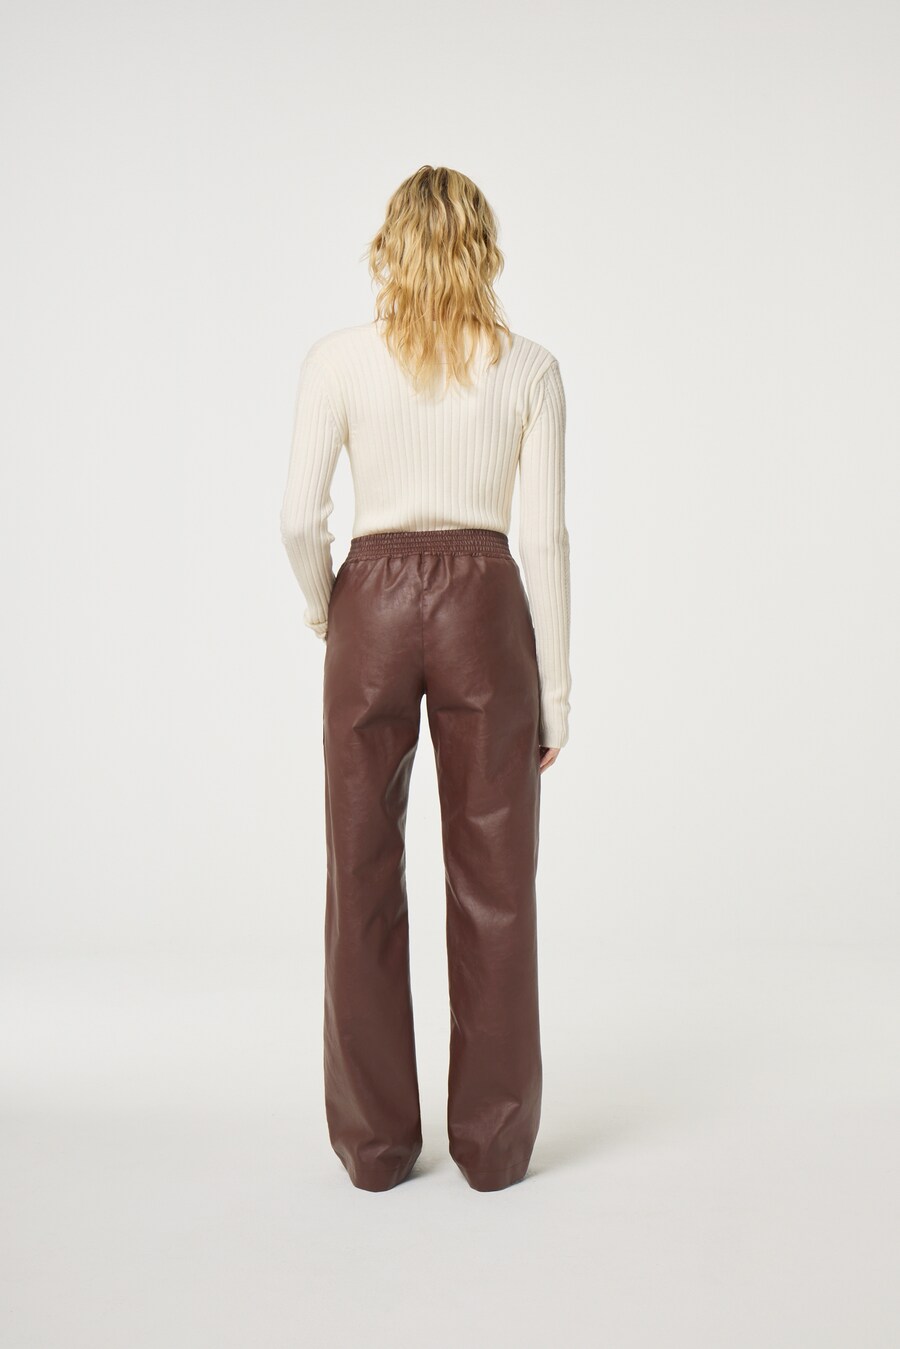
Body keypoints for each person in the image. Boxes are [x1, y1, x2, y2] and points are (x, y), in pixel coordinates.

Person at [279, 164, 572, 1193]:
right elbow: (545, 538)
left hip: (371, 600)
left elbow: (297, 518)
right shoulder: (530, 369)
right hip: (486, 608)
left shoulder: (338, 361)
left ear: (389, 245)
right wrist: (556, 692)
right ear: (483, 246)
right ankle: (493, 1148)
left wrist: (329, 610)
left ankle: (374, 1148)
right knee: (496, 882)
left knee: (358, 873)